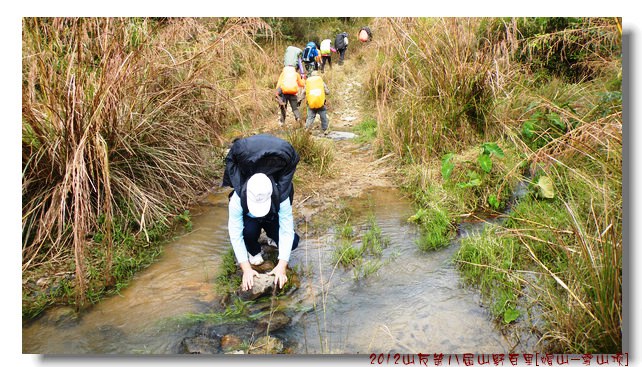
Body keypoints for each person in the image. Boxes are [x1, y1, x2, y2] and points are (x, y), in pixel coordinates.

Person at [222, 134, 301, 291]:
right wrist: (246, 269)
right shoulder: (237, 199)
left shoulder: (282, 196)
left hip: (271, 216)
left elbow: (286, 229)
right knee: (248, 232)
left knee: (292, 242)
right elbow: (235, 234)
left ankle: (271, 238)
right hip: (250, 220)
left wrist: (281, 265)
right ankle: (254, 251)